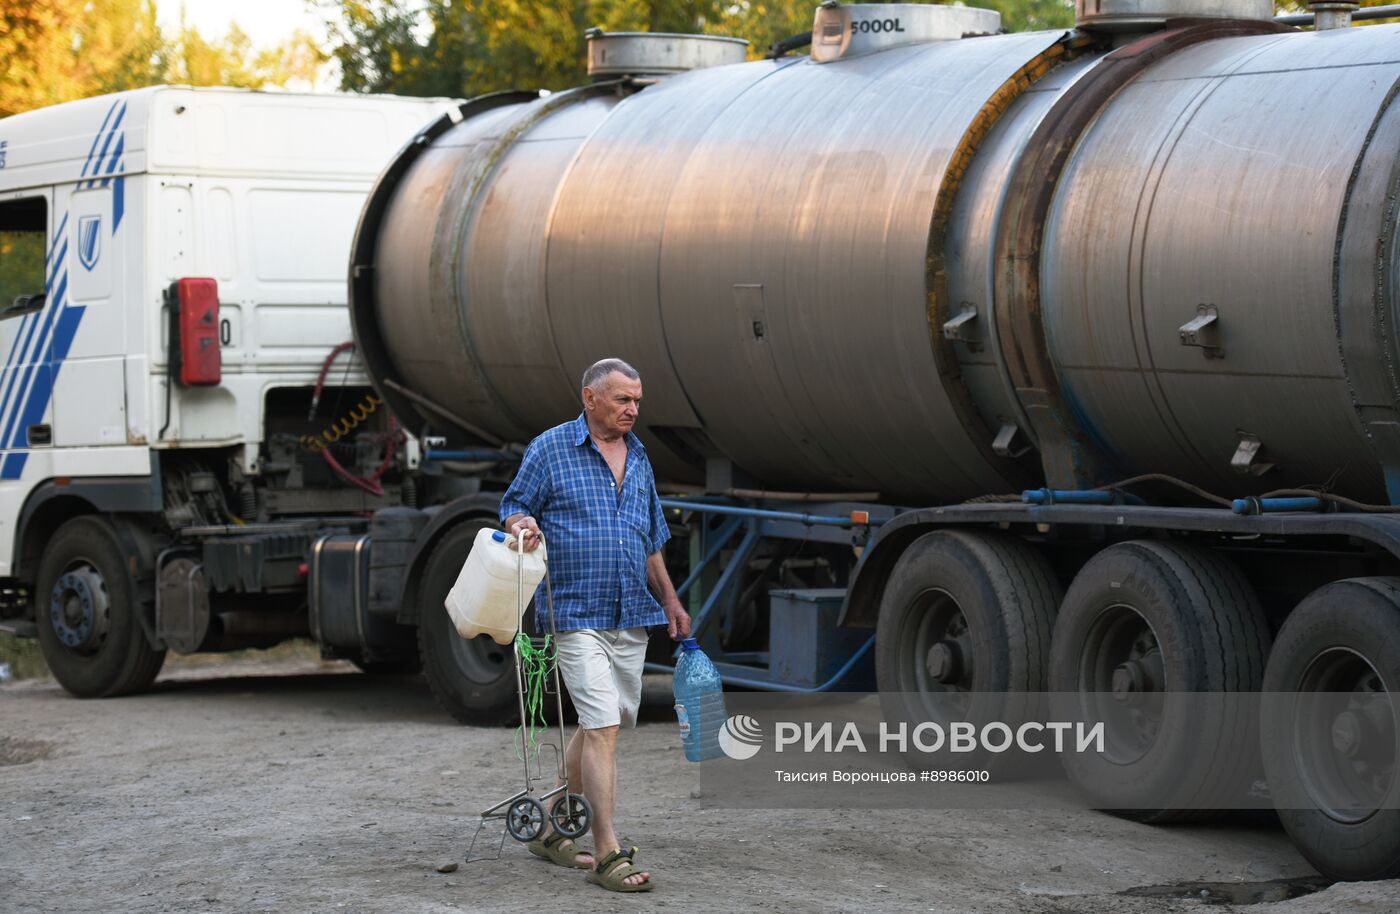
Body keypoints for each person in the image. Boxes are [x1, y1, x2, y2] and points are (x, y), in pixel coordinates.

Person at [499, 357, 691, 894]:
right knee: (603, 724)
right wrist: (523, 523)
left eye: (637, 400)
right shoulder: (551, 448)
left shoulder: (641, 456)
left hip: (631, 610)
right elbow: (513, 505)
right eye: (622, 399)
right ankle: (607, 850)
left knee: (609, 721)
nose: (634, 409)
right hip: (574, 611)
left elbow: (651, 538)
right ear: (590, 398)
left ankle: (552, 823)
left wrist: (672, 601)